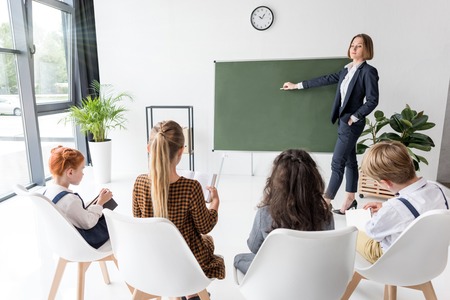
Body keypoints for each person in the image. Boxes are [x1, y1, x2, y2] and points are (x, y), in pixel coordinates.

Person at [282, 33, 379, 214]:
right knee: (350, 161)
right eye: (352, 45)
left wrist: (354, 117)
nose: (353, 48)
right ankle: (350, 200)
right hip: (343, 122)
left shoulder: (368, 71)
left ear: (366, 49)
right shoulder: (346, 70)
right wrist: (297, 85)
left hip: (351, 123)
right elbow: (325, 79)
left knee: (337, 162)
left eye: (358, 46)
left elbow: (373, 100)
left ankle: (325, 202)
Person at [132, 120, 225, 299]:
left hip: (151, 257)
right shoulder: (191, 187)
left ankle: (188, 293)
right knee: (207, 241)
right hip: (184, 264)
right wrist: (215, 203)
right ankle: (191, 294)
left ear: (149, 149)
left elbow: (138, 222)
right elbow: (204, 227)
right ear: (181, 151)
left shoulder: (139, 182)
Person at [234, 149, 334, 274]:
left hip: (275, 275)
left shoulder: (265, 214)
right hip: (312, 276)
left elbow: (254, 247)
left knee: (238, 259)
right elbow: (326, 250)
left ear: (276, 182)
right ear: (314, 180)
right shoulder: (326, 216)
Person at [357, 141, 449, 263]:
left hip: (397, 260)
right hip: (431, 256)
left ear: (386, 183)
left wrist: (383, 213)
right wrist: (385, 207)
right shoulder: (438, 188)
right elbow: (418, 208)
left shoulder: (393, 208)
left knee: (354, 233)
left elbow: (373, 232)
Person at [44, 145, 113, 249]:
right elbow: (88, 223)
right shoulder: (70, 200)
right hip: (83, 243)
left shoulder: (48, 192)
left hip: (62, 240)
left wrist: (98, 201)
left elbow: (73, 212)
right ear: (70, 172)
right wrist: (100, 203)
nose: (83, 174)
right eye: (81, 169)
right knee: (112, 220)